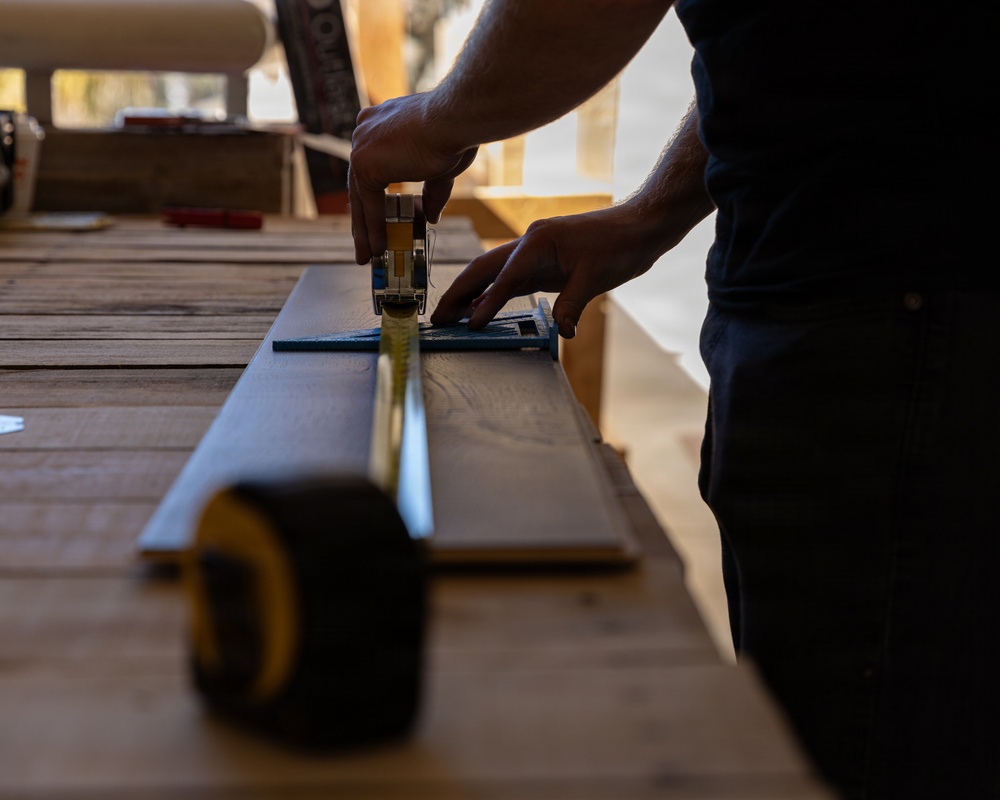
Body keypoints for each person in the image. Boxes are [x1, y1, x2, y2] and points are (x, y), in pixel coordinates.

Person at [348, 2, 999, 797]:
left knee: (855, 756)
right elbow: (778, 37)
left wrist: (439, 115)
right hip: (841, 310)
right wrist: (651, 215)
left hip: (898, 324)